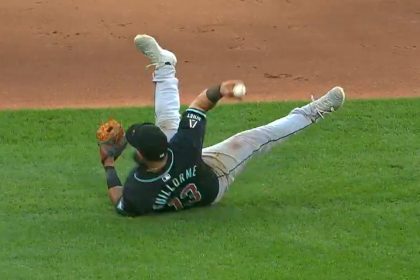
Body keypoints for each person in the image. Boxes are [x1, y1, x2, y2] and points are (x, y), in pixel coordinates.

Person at [100, 34, 346, 216]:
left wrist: (108, 164)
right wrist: (223, 89)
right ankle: (313, 112)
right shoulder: (182, 146)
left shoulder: (138, 187)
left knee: (167, 121)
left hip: (203, 168)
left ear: (142, 155)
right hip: (217, 177)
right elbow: (200, 104)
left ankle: (165, 66)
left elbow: (117, 198)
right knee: (252, 139)